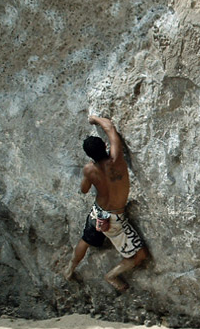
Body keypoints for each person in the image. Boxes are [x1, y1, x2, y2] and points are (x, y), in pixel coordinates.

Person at [64, 115, 149, 291]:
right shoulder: (117, 159)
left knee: (86, 240)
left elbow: (84, 190)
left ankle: (70, 268)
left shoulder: (89, 169)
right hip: (115, 222)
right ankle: (111, 276)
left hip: (98, 213)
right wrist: (94, 118)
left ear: (89, 156)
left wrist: (90, 174)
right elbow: (109, 127)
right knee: (139, 255)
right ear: (105, 146)